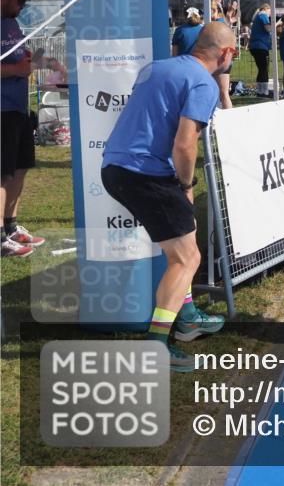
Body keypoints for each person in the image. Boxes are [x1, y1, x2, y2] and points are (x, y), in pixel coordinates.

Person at [101, 22, 235, 370]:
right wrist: (186, 185)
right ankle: (157, 345)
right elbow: (184, 143)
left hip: (115, 166)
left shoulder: (157, 66)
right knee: (186, 259)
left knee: (183, 243)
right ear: (226, 53)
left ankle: (187, 315)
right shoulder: (204, 83)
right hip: (144, 173)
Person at [1, 0, 59, 257]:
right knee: (2, 173)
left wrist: (47, 61)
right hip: (2, 111)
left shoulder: (11, 23)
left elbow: (22, 57)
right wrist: (14, 71)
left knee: (20, 169)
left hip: (18, 108)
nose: (23, 5)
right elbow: (14, 66)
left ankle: (10, 226)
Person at [210, 2, 234, 109]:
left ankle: (229, 118)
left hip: (221, 60)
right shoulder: (219, 22)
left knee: (224, 93)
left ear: (217, 11)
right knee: (221, 93)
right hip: (220, 60)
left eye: (211, 10)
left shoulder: (219, 24)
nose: (209, 13)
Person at [248, 4, 272, 97]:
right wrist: (277, 24)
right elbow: (268, 28)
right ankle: (264, 92)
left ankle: (260, 91)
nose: (270, 14)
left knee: (261, 69)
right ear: (266, 9)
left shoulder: (258, 16)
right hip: (260, 46)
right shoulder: (263, 15)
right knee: (264, 69)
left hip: (255, 46)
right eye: (270, 11)